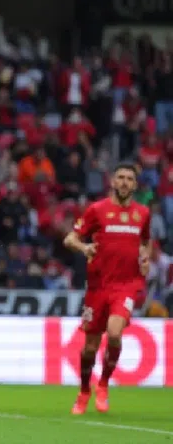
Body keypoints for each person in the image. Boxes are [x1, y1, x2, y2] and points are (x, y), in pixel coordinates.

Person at [63, 162, 151, 414]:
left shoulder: (143, 213)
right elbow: (70, 239)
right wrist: (84, 248)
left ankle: (103, 384)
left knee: (114, 333)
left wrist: (145, 257)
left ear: (135, 185)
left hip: (126, 285)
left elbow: (145, 241)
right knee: (90, 348)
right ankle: (84, 391)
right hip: (98, 287)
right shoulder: (97, 210)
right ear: (112, 182)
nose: (124, 182)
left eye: (129, 179)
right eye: (120, 177)